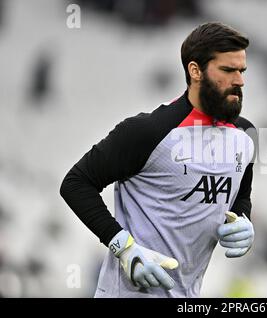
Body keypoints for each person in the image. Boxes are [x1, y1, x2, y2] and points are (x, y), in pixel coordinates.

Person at [60, 22, 256, 298]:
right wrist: (124, 248)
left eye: (241, 70)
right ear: (195, 71)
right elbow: (76, 183)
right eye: (227, 70)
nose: (239, 80)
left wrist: (244, 220)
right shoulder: (148, 132)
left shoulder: (246, 137)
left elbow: (240, 196)